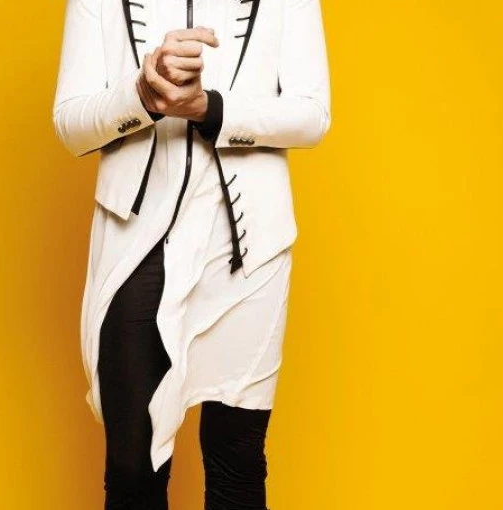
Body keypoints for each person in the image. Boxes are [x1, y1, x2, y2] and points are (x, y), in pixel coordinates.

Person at [53, 0, 331, 508]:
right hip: (135, 240)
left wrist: (210, 109)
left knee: (237, 460)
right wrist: (142, 95)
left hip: (250, 248)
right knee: (132, 467)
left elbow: (312, 114)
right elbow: (71, 122)